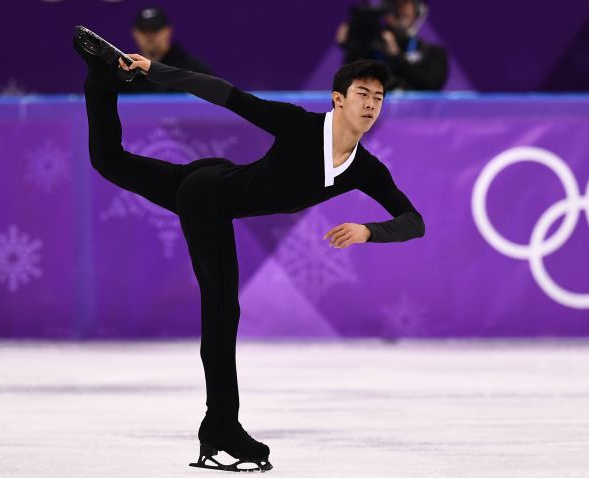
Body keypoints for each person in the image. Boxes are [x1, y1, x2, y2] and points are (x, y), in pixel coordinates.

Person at [73, 27, 424, 472]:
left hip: (210, 181)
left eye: (378, 97)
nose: (371, 104)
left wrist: (369, 230)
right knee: (223, 311)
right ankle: (221, 427)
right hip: (209, 200)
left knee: (109, 161)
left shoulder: (365, 170)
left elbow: (415, 222)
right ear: (338, 99)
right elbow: (225, 94)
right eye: (362, 94)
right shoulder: (299, 125)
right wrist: (154, 69)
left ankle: (99, 81)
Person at [336, 0, 448, 91]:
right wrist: (350, 48)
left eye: (404, 3)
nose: (398, 10)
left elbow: (431, 87)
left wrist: (396, 56)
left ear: (418, 10)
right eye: (393, 4)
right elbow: (351, 87)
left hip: (417, 118)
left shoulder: (433, 53)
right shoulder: (371, 50)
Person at [119, 7, 211, 93]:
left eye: (155, 29)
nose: (149, 35)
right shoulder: (125, 73)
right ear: (135, 33)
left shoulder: (192, 70)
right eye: (143, 30)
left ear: (168, 31)